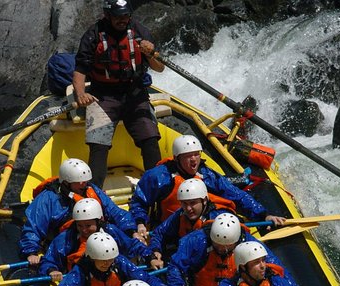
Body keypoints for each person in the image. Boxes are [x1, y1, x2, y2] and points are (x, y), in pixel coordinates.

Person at [72, 0, 165, 188]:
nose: (122, 20)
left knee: (150, 139)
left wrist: (151, 53)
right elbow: (80, 71)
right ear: (107, 15)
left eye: (125, 15)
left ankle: (158, 189)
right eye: (118, 16)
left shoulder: (140, 32)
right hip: (103, 95)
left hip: (135, 94)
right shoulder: (93, 34)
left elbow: (160, 67)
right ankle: (95, 193)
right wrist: (81, 94)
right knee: (98, 145)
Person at [130, 134, 286, 239]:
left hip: (201, 229)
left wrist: (263, 215)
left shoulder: (206, 174)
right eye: (188, 156)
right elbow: (138, 202)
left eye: (196, 154)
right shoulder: (158, 176)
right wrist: (140, 223)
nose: (194, 160)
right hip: (168, 230)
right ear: (177, 158)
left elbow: (235, 195)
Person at [165, 213, 300, 286]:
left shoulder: (248, 242)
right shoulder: (197, 240)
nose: (222, 250)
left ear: (235, 242)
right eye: (218, 246)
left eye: (226, 247)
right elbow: (175, 266)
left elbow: (275, 266)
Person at [19, 158, 136, 266]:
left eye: (84, 181)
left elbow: (115, 212)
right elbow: (34, 225)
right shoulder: (48, 198)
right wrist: (31, 252)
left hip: (98, 238)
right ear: (66, 182)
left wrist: (132, 230)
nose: (83, 184)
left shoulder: (91, 190)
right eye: (78, 181)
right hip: (67, 243)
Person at [39, 198, 162, 282]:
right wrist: (52, 270)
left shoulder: (111, 231)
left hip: (113, 278)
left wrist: (150, 257)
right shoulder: (67, 238)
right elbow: (49, 259)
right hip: (82, 281)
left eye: (88, 226)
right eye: (80, 225)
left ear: (99, 221)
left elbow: (132, 246)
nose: (84, 230)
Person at [148, 177, 231, 259]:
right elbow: (159, 233)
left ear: (204, 200)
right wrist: (156, 251)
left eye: (193, 203)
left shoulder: (218, 218)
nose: (188, 208)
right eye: (184, 203)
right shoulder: (181, 214)